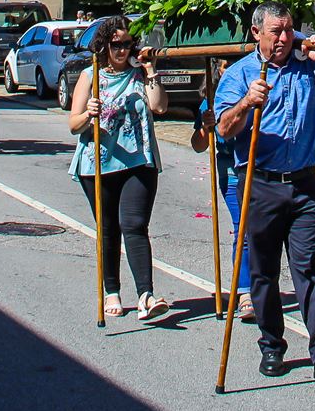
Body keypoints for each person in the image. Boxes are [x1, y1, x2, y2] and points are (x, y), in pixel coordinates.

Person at [215, 2, 315, 381]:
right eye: (275, 31)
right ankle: (272, 345)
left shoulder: (307, 66)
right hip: (259, 183)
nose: (283, 38)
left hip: (304, 184)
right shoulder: (240, 75)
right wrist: (247, 101)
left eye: (288, 29)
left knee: (310, 265)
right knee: (263, 272)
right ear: (256, 32)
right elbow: (224, 130)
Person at [68, 16, 169, 321]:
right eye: (116, 45)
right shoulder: (91, 75)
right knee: (109, 229)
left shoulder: (140, 74)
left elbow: (159, 106)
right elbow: (74, 125)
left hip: (139, 161)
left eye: (127, 44)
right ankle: (111, 290)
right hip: (98, 161)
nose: (123, 50)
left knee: (134, 225)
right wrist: (89, 114)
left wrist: (150, 70)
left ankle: (146, 296)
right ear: (104, 46)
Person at [191, 68, 254, 321]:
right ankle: (245, 293)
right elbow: (198, 145)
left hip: (258, 166)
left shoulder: (256, 89)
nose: (229, 68)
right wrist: (206, 128)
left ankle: (259, 285)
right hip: (230, 170)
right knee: (244, 229)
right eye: (224, 63)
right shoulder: (211, 102)